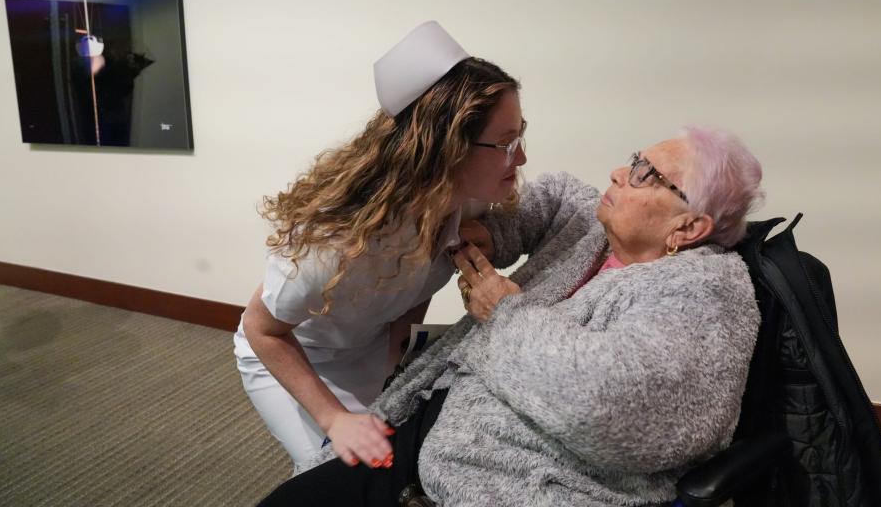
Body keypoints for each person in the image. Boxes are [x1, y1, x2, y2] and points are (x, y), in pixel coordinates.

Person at [256, 126, 765, 507]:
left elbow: (602, 405)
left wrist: (503, 311)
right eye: (634, 159)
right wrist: (495, 235)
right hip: (441, 421)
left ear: (689, 227)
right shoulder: (599, 231)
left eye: (645, 174)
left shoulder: (706, 295)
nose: (618, 173)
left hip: (517, 477)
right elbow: (557, 197)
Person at [233, 22, 527, 474]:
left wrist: (397, 369)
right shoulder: (337, 243)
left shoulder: (463, 205)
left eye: (520, 135)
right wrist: (333, 418)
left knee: (399, 451)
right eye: (506, 143)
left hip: (370, 347)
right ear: (446, 149)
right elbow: (262, 330)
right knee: (333, 470)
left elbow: (413, 288)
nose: (521, 158)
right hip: (294, 353)